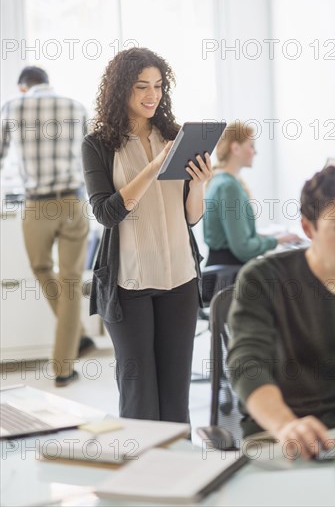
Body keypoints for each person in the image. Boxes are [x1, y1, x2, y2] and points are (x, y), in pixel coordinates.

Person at [82, 47, 212, 422]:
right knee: (140, 397)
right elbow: (107, 213)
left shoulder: (175, 136)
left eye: (158, 86)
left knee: (175, 399)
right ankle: (141, 476)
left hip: (179, 279)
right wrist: (156, 165)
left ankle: (180, 477)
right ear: (121, 90)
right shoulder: (98, 145)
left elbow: (190, 216)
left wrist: (200, 185)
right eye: (142, 87)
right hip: (128, 285)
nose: (152, 94)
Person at [227, 166, 335, 459]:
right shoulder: (263, 279)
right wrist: (285, 425)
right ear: (309, 228)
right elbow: (247, 364)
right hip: (280, 434)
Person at [0, 66, 95, 387]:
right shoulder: (76, 106)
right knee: (70, 282)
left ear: (23, 87)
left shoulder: (12, 106)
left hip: (35, 205)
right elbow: (92, 156)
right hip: (72, 202)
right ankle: (71, 350)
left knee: (41, 268)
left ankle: (67, 355)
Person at [203, 121, 300, 266]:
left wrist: (271, 237)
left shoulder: (218, 180)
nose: (255, 152)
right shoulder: (229, 187)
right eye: (251, 146)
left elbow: (237, 236)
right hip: (228, 275)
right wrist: (277, 241)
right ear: (235, 148)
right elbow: (243, 247)